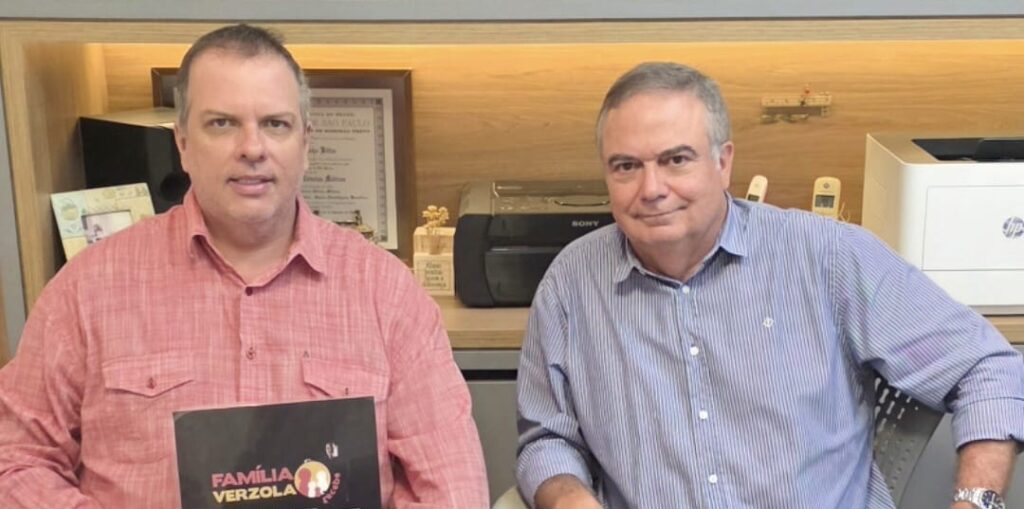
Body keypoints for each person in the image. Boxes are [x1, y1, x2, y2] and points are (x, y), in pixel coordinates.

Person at [0, 24, 488, 508]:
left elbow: (453, 486)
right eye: (222, 124)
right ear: (182, 143)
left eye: (275, 124)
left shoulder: (388, 293)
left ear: (306, 144)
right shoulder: (88, 288)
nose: (252, 148)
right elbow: (14, 460)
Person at [515, 62, 1023, 509]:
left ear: (723, 163)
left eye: (676, 160)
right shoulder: (571, 283)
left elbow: (986, 367)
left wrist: (976, 501)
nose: (651, 189)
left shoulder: (827, 257)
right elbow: (545, 439)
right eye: (627, 166)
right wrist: (570, 498)